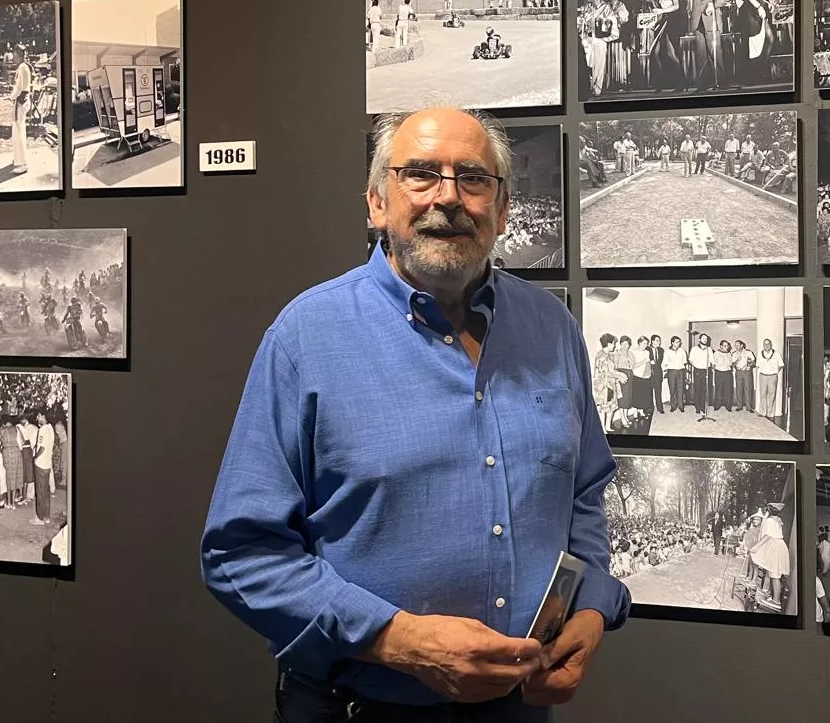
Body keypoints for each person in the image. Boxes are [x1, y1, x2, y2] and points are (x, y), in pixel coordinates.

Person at [202, 108, 629, 720]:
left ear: (503, 209)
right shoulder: (306, 338)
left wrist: (590, 604)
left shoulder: (554, 331)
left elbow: (583, 496)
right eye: (421, 174)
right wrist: (399, 641)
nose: (448, 198)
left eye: (474, 178)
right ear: (377, 203)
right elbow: (238, 554)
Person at [684, 0, 732, 89]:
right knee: (701, 55)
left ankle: (721, 82)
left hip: (712, 22)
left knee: (715, 52)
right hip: (698, 23)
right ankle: (702, 85)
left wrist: (713, 4)